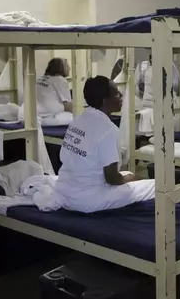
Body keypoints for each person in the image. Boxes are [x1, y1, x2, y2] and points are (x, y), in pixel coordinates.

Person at [54, 76, 155, 213]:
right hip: (86, 200)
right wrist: (128, 179)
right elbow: (112, 178)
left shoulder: (78, 120)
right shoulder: (108, 129)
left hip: (63, 191)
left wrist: (127, 177)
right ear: (104, 100)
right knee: (155, 185)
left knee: (128, 173)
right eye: (116, 93)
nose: (120, 96)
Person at [18, 58, 73, 126]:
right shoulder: (60, 79)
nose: (69, 68)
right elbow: (68, 107)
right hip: (40, 119)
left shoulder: (41, 78)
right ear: (61, 68)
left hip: (23, 115)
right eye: (67, 66)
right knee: (72, 117)